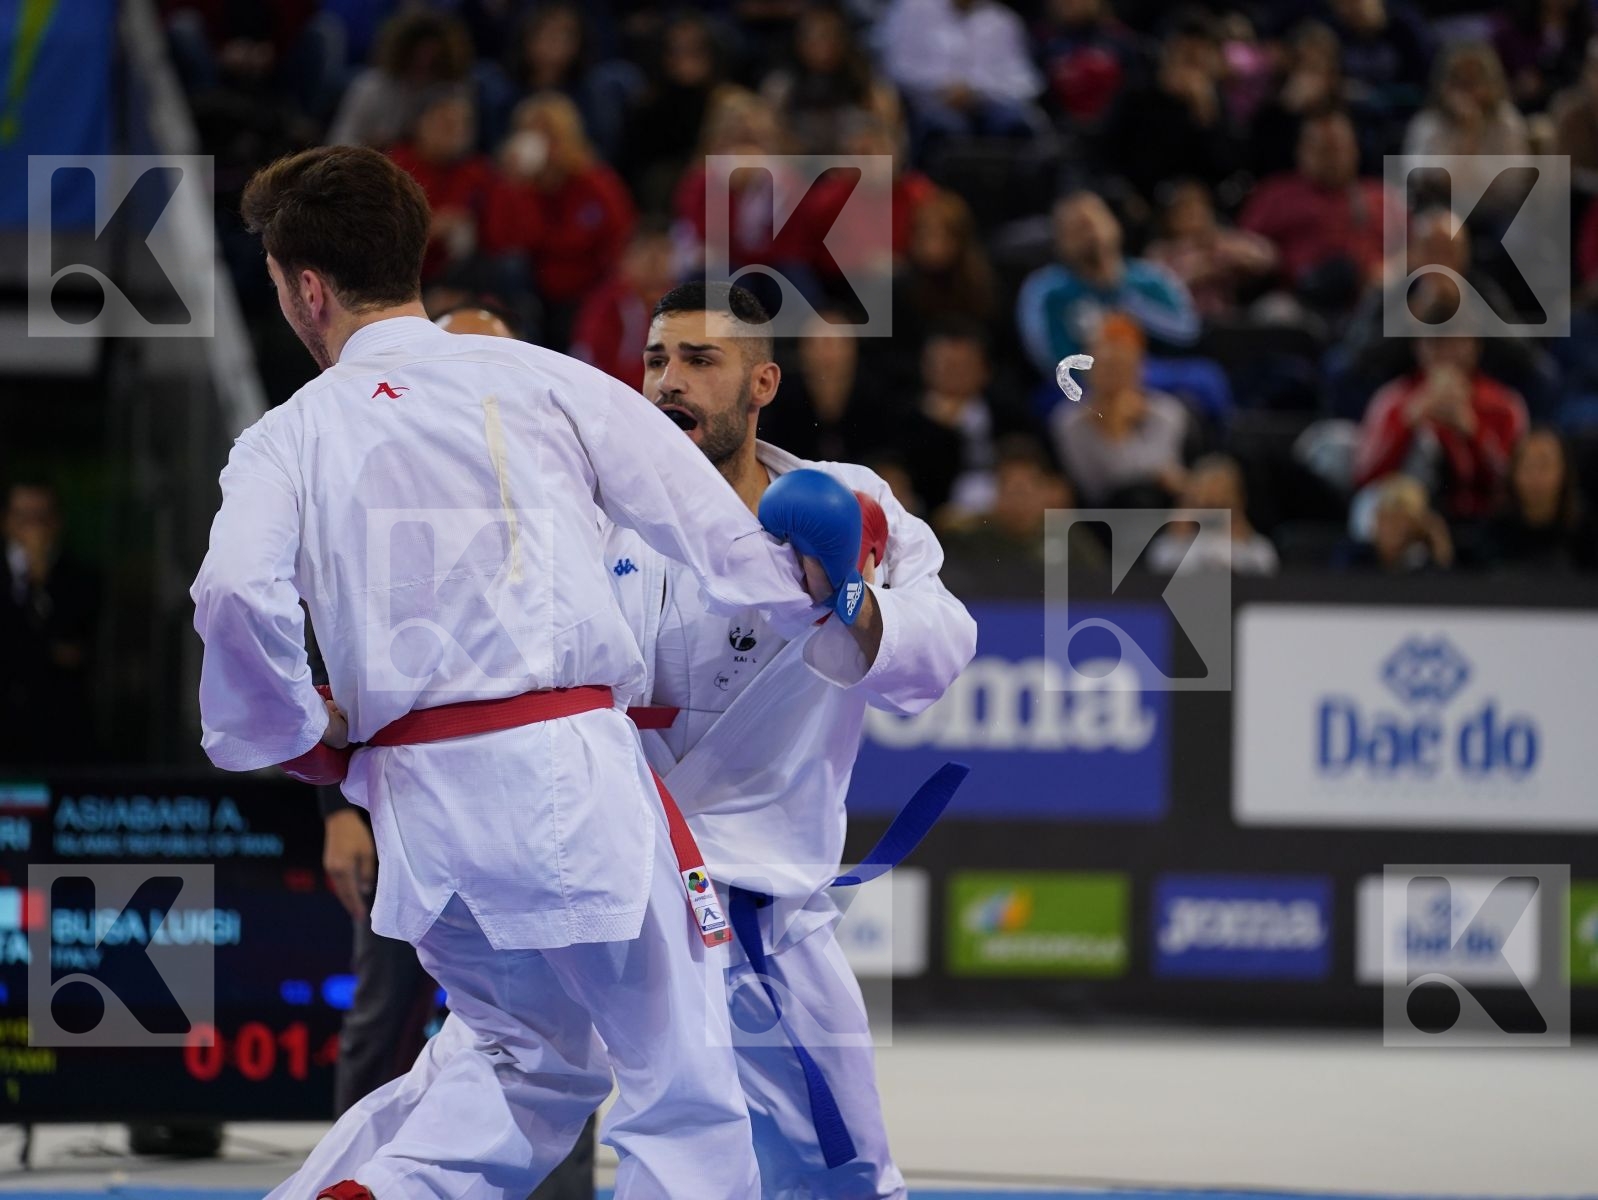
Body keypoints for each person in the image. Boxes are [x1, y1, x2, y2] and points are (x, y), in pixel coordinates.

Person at [240, 281, 978, 1200]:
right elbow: (468, 651)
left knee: (840, 1174)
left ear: (763, 384)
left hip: (755, 914)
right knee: (532, 1087)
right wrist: (343, 728)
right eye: (655, 361)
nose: (667, 382)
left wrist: (849, 595)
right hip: (596, 870)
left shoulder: (846, 505)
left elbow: (940, 653)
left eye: (700, 362)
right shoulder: (580, 509)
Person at [194, 144, 834, 1200]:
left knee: (523, 1058)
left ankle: (381, 1191)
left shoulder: (283, 437)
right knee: (678, 1077)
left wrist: (300, 735)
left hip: (420, 800)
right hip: (564, 768)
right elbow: (705, 525)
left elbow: (230, 597)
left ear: (307, 288)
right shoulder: (537, 374)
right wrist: (820, 586)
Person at [312, 309, 596, 1200]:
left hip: (544, 813)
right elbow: (322, 674)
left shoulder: (564, 493)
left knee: (558, 1031)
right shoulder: (381, 498)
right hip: (411, 813)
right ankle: (371, 1178)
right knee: (390, 1012)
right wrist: (339, 814)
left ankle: (556, 1192)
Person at [1016, 191, 1199, 384]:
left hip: (1151, 375)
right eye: (1077, 229)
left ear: (1113, 225)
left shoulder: (1150, 277)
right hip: (1079, 386)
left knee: (1204, 379)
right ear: (1060, 241)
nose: (1089, 235)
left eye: (1092, 223)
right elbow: (1048, 357)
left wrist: (1123, 295)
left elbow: (1187, 331)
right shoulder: (1047, 289)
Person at [1352, 324, 1529, 522]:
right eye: (1436, 343)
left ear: (1475, 345)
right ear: (1418, 346)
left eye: (1455, 342)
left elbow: (1515, 482)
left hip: (1488, 520)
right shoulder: (1393, 400)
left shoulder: (1504, 404)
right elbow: (1366, 480)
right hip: (1414, 518)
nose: (1446, 354)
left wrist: (1473, 430)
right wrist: (1407, 423)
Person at [1239, 108, 1401, 315]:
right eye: (1325, 150)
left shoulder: (1382, 198)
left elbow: (1412, 252)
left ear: (1355, 150)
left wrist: (1391, 272)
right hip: (1298, 302)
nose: (1334, 159)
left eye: (1340, 149)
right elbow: (1242, 246)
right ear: (1302, 151)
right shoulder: (1275, 195)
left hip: (1372, 302)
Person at [0, 480, 99, 766]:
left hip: (60, 734)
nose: (32, 529)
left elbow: (77, 651)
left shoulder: (80, 579)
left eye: (40, 519)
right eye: (23, 519)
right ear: (6, 522)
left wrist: (41, 585)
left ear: (56, 523)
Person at [1050, 314, 1193, 508]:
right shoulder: (1070, 421)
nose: (1113, 377)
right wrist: (1115, 429)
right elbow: (1096, 488)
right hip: (1102, 519)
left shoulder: (1167, 412)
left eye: (1121, 366)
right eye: (1106, 367)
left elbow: (1170, 478)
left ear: (1139, 369)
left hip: (1162, 513)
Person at [1480, 428, 1598, 571]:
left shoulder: (1586, 531)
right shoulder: (1493, 534)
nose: (1535, 476)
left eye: (1544, 465)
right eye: (1527, 465)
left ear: (1565, 471)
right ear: (1513, 473)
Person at [1146, 454, 1280, 576]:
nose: (1214, 513)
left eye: (1222, 504)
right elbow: (1158, 564)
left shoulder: (1259, 548)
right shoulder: (1170, 546)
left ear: (1239, 501)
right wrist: (1178, 537)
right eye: (1207, 504)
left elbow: (1266, 566)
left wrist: (1243, 541)